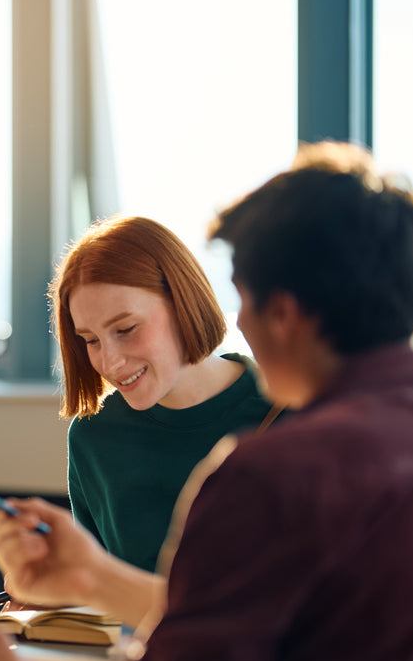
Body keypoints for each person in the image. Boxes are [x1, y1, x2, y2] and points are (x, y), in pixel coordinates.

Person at [0, 141, 413, 661]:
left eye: (244, 298)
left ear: (284, 311)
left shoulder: (268, 476)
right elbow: (271, 636)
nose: (237, 321)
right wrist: (92, 578)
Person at [52, 215, 278, 572]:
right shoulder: (94, 437)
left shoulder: (293, 410)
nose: (109, 362)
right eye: (91, 340)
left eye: (126, 329)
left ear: (183, 302)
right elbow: (100, 592)